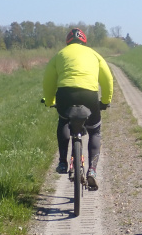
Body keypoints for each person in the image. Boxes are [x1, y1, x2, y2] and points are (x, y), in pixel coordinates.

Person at [43, 28, 113, 189]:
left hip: (65, 94)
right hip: (89, 95)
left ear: (68, 41)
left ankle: (62, 162)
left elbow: (48, 80)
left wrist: (49, 101)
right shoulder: (94, 54)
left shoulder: (60, 55)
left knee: (63, 121)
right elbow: (107, 78)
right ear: (84, 41)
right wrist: (105, 101)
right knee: (94, 130)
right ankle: (92, 171)